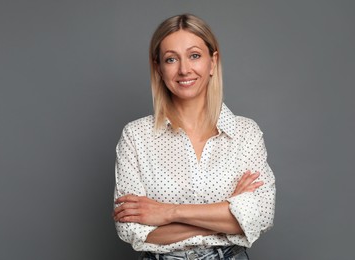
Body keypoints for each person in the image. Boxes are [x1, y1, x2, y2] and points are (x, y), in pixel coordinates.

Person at [113, 14, 275, 260]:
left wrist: (168, 213)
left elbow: (261, 216)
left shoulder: (245, 133)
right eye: (171, 59)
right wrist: (230, 214)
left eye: (195, 55)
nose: (184, 69)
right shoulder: (136, 136)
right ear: (158, 68)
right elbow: (132, 230)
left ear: (213, 62)